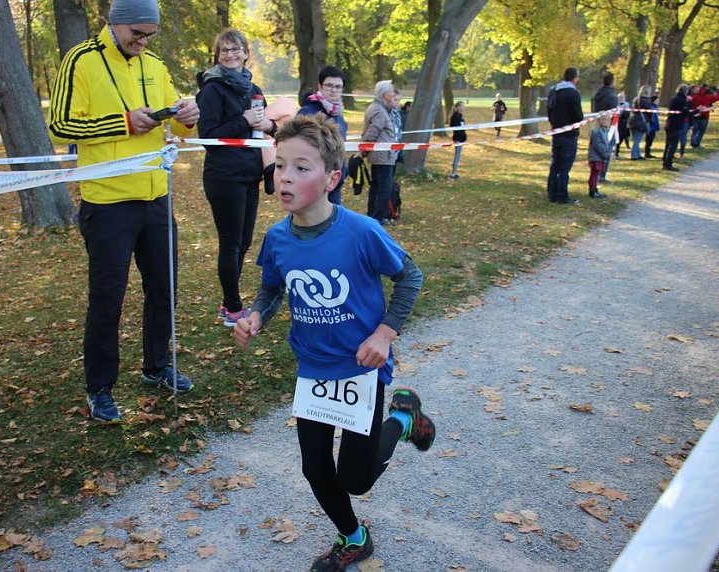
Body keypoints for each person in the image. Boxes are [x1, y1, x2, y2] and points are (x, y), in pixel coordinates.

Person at [232, 113, 433, 572]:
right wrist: (256, 315)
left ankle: (402, 417)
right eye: (281, 165)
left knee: (356, 479)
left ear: (332, 179)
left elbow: (411, 276)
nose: (285, 176)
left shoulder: (361, 231)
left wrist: (385, 333)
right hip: (314, 368)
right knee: (316, 467)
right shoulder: (278, 236)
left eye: (302, 167)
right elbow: (273, 286)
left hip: (361, 367)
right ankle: (354, 537)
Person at [49, 0, 199, 423]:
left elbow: (177, 123)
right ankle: (99, 388)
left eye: (150, 34)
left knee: (164, 290)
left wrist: (188, 115)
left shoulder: (155, 65)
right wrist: (123, 122)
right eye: (137, 32)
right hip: (108, 203)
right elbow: (60, 125)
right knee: (107, 299)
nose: (144, 41)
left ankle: (156, 367)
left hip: (155, 197)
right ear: (112, 23)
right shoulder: (80, 60)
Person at [196, 28, 276, 327]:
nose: (229, 54)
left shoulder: (252, 89)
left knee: (243, 242)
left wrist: (268, 124)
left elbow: (266, 131)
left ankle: (228, 300)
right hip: (223, 177)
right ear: (218, 56)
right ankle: (232, 307)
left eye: (235, 49)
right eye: (223, 51)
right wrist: (242, 120)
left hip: (248, 175)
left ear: (245, 53)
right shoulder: (212, 89)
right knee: (230, 243)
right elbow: (208, 136)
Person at [297, 65, 348, 205]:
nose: (333, 90)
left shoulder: (339, 116)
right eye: (329, 85)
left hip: (334, 182)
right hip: (311, 181)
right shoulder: (307, 112)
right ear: (320, 86)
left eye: (338, 87)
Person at [362, 80, 398, 225]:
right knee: (384, 188)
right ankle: (378, 218)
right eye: (392, 91)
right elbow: (372, 132)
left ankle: (373, 216)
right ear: (385, 94)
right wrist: (363, 149)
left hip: (381, 155)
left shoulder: (378, 108)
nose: (393, 93)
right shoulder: (378, 110)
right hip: (382, 156)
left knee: (377, 187)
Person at [546, 67, 584, 205]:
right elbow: (578, 115)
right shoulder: (573, 94)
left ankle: (552, 193)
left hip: (556, 132)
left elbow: (549, 112)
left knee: (555, 163)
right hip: (569, 134)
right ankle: (562, 195)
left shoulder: (553, 91)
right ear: (574, 78)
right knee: (564, 167)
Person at [591, 72, 619, 181]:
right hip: (608, 126)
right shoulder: (611, 96)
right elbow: (614, 113)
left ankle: (596, 173)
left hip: (597, 124)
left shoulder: (597, 94)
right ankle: (601, 174)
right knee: (605, 150)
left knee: (596, 150)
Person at [663, 83, 694, 172]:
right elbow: (686, 113)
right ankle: (668, 164)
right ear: (686, 91)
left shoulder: (673, 98)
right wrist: (696, 111)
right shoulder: (681, 100)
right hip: (676, 124)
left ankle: (665, 162)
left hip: (670, 123)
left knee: (668, 144)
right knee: (673, 145)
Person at [690, 84, 719, 148]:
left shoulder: (693, 97)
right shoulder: (709, 97)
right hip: (704, 116)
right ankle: (697, 143)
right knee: (701, 132)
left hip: (695, 115)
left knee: (694, 131)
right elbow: (718, 97)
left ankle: (693, 142)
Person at [587, 114, 611, 199]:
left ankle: (594, 188)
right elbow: (598, 146)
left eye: (606, 120)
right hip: (596, 157)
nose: (604, 121)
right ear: (598, 120)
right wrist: (605, 155)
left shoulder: (605, 131)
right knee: (594, 174)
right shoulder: (597, 132)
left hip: (601, 157)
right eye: (603, 119)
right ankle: (592, 191)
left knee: (596, 174)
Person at [628, 85, 652, 160]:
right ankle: (634, 155)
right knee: (637, 140)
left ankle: (637, 154)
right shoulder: (647, 100)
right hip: (641, 121)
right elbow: (649, 112)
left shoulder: (636, 99)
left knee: (636, 139)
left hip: (633, 120)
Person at [449, 101, 467, 179]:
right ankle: (453, 173)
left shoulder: (459, 116)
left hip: (461, 139)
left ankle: (455, 172)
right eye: (463, 106)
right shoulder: (456, 116)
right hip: (458, 139)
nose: (464, 107)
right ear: (458, 107)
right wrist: (462, 136)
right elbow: (456, 129)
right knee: (457, 155)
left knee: (458, 155)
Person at [644, 92, 660, 158]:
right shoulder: (651, 107)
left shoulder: (656, 107)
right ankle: (647, 153)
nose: (658, 101)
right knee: (649, 140)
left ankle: (648, 152)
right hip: (651, 126)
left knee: (651, 140)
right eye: (657, 100)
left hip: (654, 126)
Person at [615, 93, 631, 158]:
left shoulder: (627, 105)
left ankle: (626, 146)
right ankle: (616, 153)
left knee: (623, 137)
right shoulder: (615, 104)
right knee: (617, 138)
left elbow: (628, 114)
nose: (621, 99)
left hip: (624, 123)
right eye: (620, 97)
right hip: (617, 123)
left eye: (623, 97)